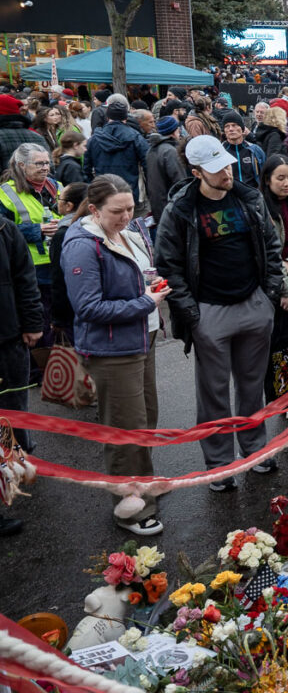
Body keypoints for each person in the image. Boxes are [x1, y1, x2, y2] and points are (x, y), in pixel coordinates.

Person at [155, 135, 282, 490]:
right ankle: (219, 465)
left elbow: (270, 247)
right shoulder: (180, 209)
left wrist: (268, 295)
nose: (227, 172)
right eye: (216, 169)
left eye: (226, 164)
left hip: (253, 304)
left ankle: (255, 451)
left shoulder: (247, 197)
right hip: (210, 310)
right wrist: (192, 313)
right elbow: (168, 264)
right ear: (197, 173)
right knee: (212, 393)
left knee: (252, 385)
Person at [62, 175, 170, 535]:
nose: (126, 217)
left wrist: (151, 287)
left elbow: (137, 277)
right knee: (125, 429)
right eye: (116, 211)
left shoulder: (129, 232)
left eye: (129, 208)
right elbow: (88, 307)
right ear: (93, 210)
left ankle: (144, 485)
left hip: (143, 337)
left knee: (145, 419)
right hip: (112, 349)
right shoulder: (82, 245)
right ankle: (133, 510)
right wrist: (145, 302)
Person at [0, 206, 43, 535]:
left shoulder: (4, 230)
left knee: (12, 410)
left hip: (8, 337)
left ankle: (14, 461)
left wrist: (31, 323)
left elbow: (25, 279)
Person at [1, 143, 60, 374]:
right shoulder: (5, 193)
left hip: (59, 262)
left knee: (58, 318)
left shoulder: (55, 186)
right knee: (40, 318)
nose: (45, 168)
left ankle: (61, 366)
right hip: (31, 267)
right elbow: (5, 232)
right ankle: (41, 370)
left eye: (47, 163)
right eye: (39, 163)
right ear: (21, 165)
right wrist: (38, 230)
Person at [259, 155, 288, 403]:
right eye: (280, 178)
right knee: (281, 340)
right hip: (275, 285)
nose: (287, 183)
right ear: (267, 180)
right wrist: (285, 289)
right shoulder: (261, 208)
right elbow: (270, 254)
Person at [84, 94, 149, 210]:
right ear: (126, 117)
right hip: (129, 190)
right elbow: (147, 163)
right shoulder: (135, 136)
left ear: (108, 117)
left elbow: (86, 167)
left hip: (103, 190)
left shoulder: (94, 139)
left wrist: (92, 184)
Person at [49, 181, 87, 339]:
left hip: (72, 312)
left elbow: (59, 279)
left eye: (59, 199)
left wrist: (58, 319)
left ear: (69, 206)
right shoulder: (92, 226)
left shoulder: (63, 235)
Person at [145, 117, 186, 225]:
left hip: (158, 206)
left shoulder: (152, 149)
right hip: (170, 207)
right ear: (173, 131)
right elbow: (180, 182)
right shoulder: (170, 151)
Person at [220, 111, 265, 188]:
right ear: (224, 131)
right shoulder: (220, 151)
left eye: (234, 125)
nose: (231, 129)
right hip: (229, 195)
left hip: (252, 195)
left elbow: (265, 174)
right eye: (227, 126)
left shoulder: (255, 150)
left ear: (242, 129)